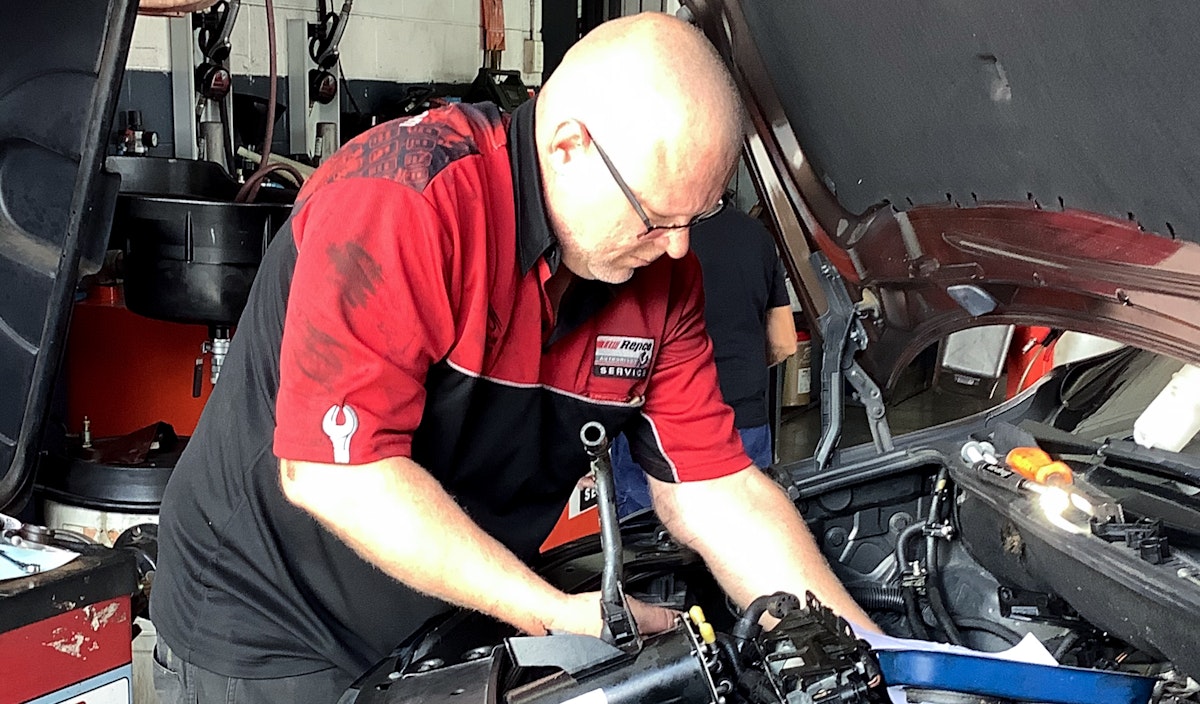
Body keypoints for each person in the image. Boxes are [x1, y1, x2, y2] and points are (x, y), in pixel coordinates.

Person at [150, 12, 877, 703]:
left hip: (445, 614)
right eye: (657, 216)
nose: (681, 247)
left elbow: (715, 490)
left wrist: (872, 652)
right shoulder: (407, 197)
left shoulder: (659, 270)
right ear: (568, 145)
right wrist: (546, 610)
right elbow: (337, 473)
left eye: (698, 216)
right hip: (267, 625)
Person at [611, 203, 796, 516]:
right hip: (744, 421)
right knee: (744, 537)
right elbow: (784, 341)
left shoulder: (639, 235)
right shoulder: (757, 236)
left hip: (656, 427)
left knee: (648, 547)